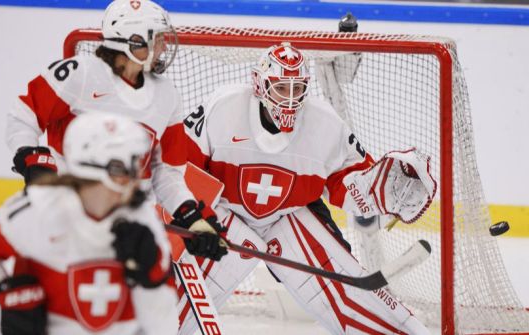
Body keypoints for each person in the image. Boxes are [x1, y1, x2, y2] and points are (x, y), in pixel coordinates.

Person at [179, 42, 436, 334]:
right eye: (281, 88)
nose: (290, 100)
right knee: (173, 301)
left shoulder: (325, 123)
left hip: (290, 215)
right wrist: (190, 217)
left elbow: (350, 182)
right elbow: (180, 166)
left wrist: (383, 191)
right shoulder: (223, 107)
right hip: (222, 214)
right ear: (260, 85)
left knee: (348, 294)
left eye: (297, 88)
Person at [4, 0, 222, 258]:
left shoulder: (167, 96)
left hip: (128, 223)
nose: (164, 46)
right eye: (158, 38)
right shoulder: (80, 74)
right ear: (134, 42)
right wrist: (34, 160)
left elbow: (167, 172)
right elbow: (24, 115)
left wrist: (188, 213)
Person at [0, 113, 178, 334]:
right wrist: (5, 289)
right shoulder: (40, 207)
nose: (138, 176)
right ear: (103, 168)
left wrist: (151, 279)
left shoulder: (142, 221)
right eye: (129, 166)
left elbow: (163, 326)